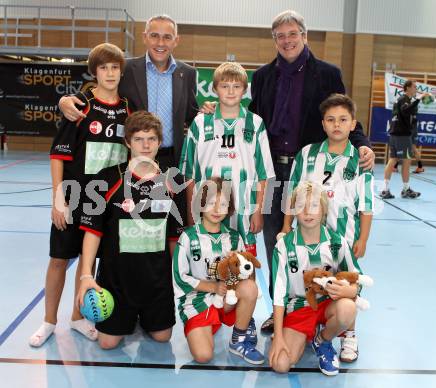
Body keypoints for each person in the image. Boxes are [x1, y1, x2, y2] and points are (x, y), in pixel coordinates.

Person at [242, 9, 375, 334]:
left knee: (322, 240)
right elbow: (251, 121)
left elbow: (340, 112)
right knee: (278, 243)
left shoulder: (327, 74)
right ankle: (281, 308)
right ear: (275, 40)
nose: (287, 41)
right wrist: (215, 112)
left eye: (292, 34)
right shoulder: (261, 77)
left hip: (310, 174)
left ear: (304, 35)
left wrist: (361, 144)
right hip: (272, 172)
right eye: (280, 36)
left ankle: (323, 306)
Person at [29, 43, 132, 347]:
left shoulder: (129, 108)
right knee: (60, 258)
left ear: (121, 71)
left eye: (115, 67)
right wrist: (58, 198)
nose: (110, 73)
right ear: (94, 72)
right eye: (104, 68)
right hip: (74, 196)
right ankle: (49, 321)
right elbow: (58, 155)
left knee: (90, 263)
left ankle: (76, 317)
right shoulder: (79, 106)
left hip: (106, 201)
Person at [280, 94, 374, 361]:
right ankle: (306, 318)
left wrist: (363, 238)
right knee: (307, 277)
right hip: (307, 233)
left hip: (344, 236)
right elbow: (292, 193)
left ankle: (349, 335)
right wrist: (287, 225)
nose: (337, 125)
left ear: (353, 124)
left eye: (343, 120)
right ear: (323, 124)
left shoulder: (359, 160)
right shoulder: (307, 154)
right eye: (331, 120)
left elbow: (366, 205)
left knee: (346, 281)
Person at [76, 111, 182, 349]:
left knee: (162, 337)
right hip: (116, 282)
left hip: (157, 281)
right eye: (139, 139)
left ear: (160, 142)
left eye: (152, 139)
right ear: (127, 142)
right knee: (107, 343)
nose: (146, 145)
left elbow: (175, 237)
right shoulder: (107, 179)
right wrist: (85, 276)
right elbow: (93, 232)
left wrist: (181, 278)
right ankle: (127, 318)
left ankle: (145, 318)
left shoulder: (173, 182)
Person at [59, 14, 198, 172]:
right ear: (144, 37)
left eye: (167, 37)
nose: (160, 43)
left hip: (173, 160)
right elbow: (97, 91)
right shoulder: (125, 68)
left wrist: (210, 110)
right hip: (132, 159)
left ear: (176, 40)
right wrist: (66, 100)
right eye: (154, 36)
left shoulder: (187, 73)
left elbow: (192, 115)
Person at [180, 62, 274, 256]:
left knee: (246, 265)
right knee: (208, 262)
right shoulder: (199, 123)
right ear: (215, 89)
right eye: (224, 86)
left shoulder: (256, 124)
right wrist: (191, 211)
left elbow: (264, 174)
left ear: (245, 90)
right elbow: (188, 174)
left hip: (244, 208)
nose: (230, 91)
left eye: (236, 86)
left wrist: (259, 211)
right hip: (207, 206)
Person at [269, 181, 362, 376]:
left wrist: (350, 291)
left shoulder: (337, 242)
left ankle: (322, 340)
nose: (308, 212)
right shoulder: (284, 246)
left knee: (348, 308)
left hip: (327, 304)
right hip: (299, 308)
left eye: (313, 206)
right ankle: (304, 335)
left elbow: (356, 277)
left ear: (323, 209)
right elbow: (279, 295)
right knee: (281, 364)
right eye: (301, 206)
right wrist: (278, 336)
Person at [172, 177, 264, 364]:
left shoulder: (233, 237)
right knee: (203, 356)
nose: (216, 210)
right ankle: (207, 325)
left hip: (227, 298)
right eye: (211, 203)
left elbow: (248, 272)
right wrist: (213, 287)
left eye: (222, 204)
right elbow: (179, 277)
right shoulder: (189, 237)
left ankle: (238, 339)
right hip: (197, 300)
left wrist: (237, 268)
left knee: (250, 288)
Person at [380, 80, 429, 199]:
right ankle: (406, 189)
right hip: (402, 135)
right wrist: (418, 99)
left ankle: (385, 189)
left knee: (393, 160)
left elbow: (406, 113)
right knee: (406, 162)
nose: (416, 89)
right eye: (414, 87)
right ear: (407, 88)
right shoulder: (404, 99)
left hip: (395, 134)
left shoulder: (401, 100)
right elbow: (406, 110)